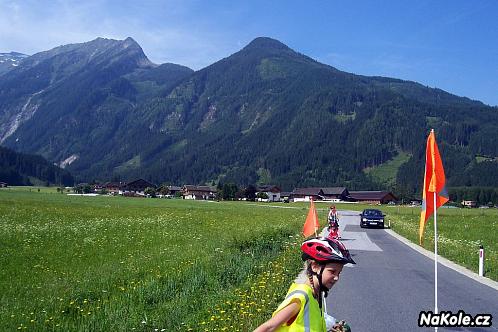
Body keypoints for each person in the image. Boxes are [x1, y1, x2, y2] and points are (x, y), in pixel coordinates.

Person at [254, 237, 355, 332]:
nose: (336, 277)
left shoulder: (316, 294)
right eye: (332, 272)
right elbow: (269, 327)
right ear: (315, 266)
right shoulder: (301, 297)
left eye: (339, 273)